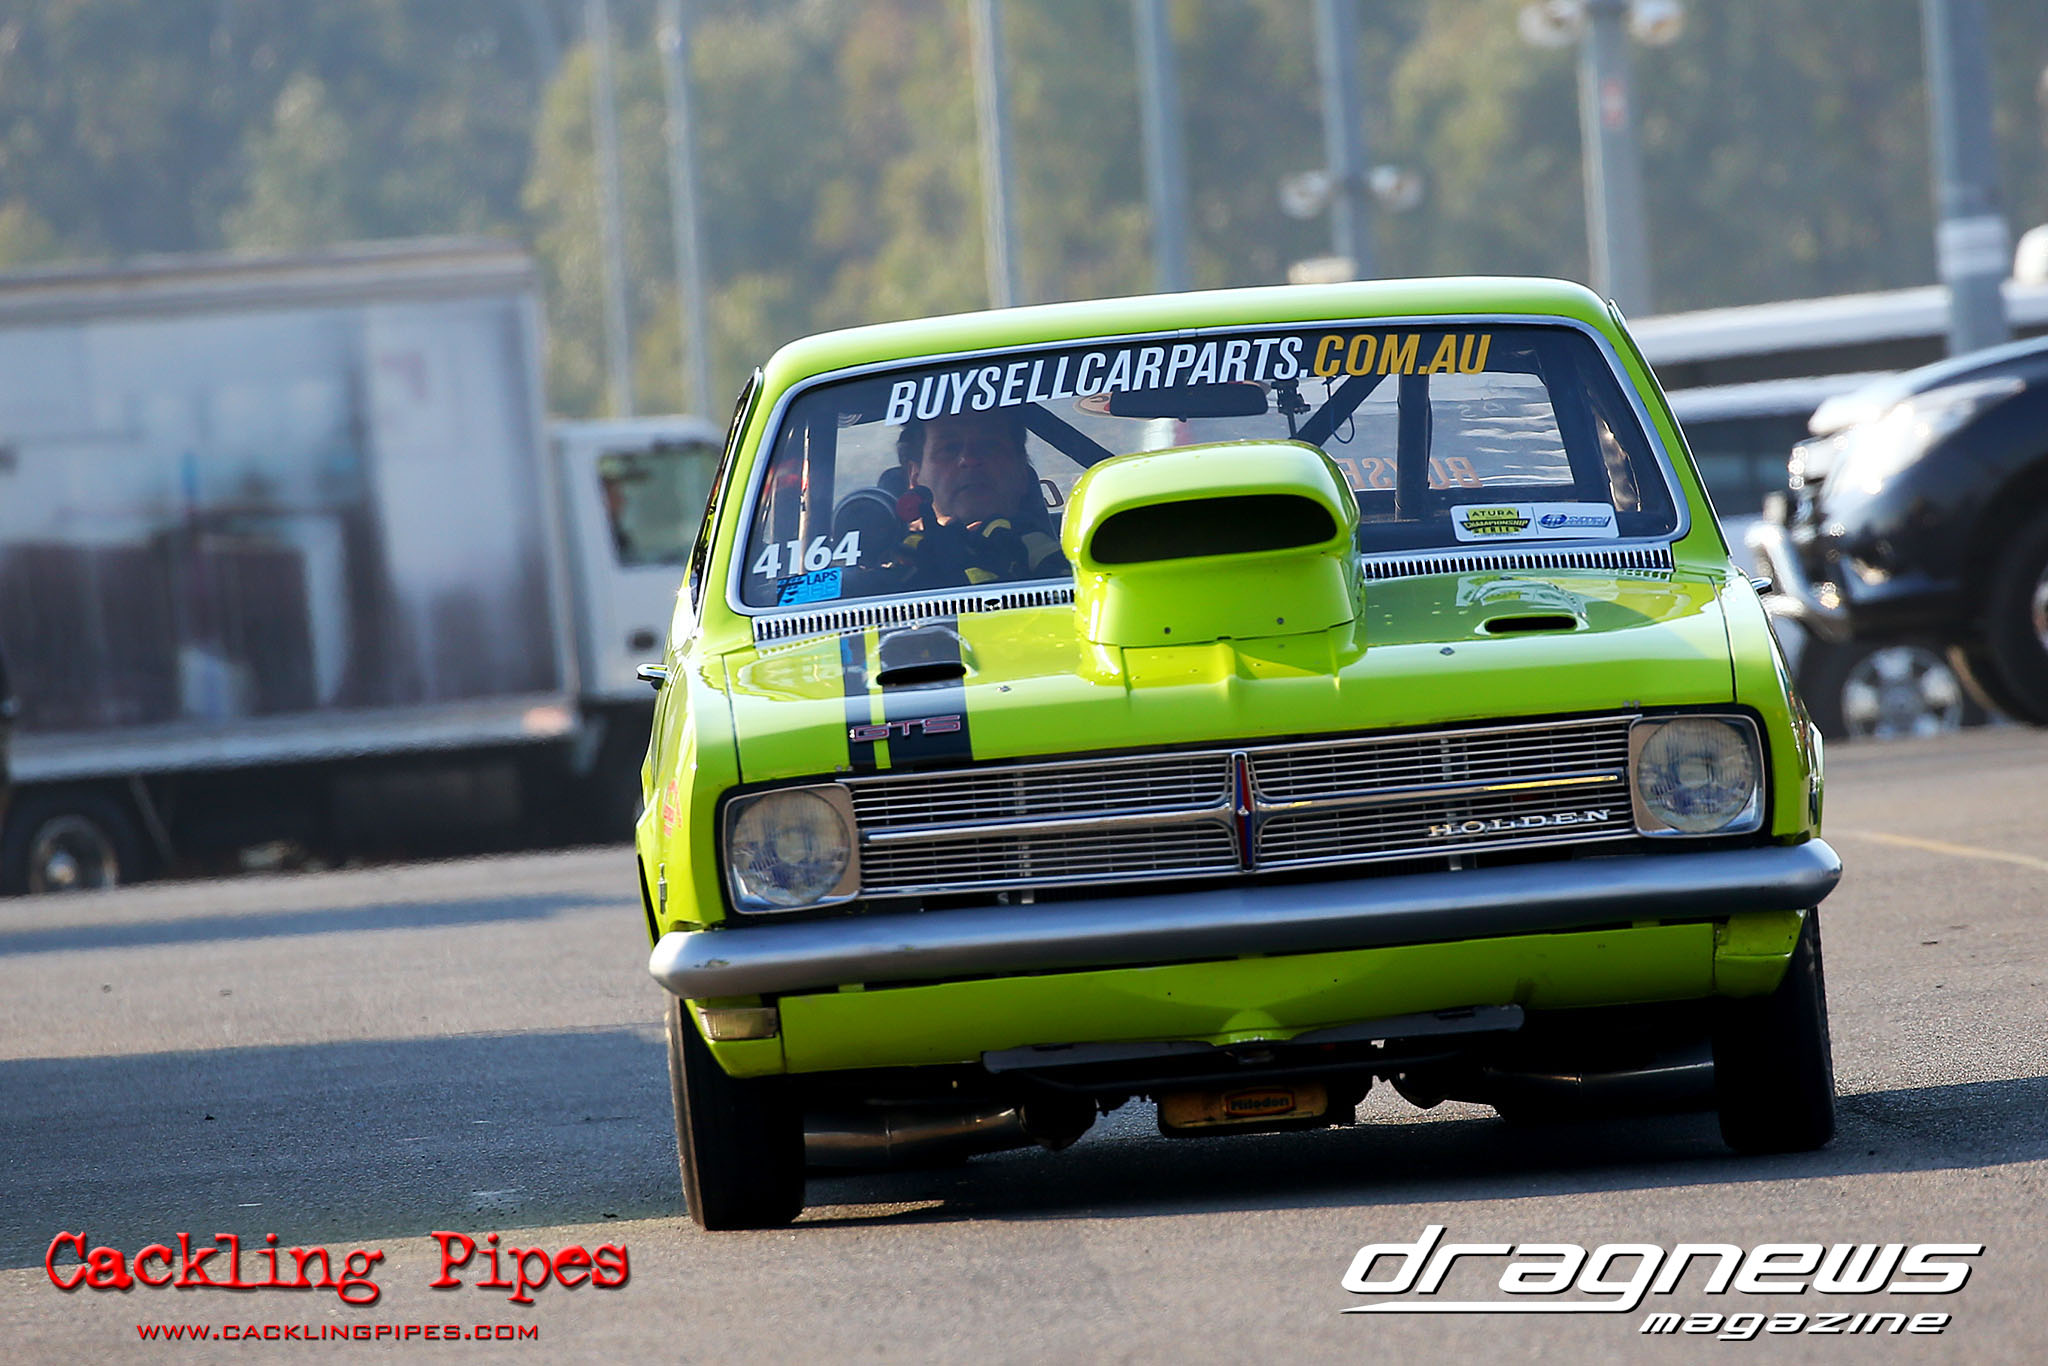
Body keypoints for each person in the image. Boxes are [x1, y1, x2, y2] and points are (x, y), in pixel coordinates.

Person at [883, 409, 1067, 586]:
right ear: (914, 476)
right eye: (949, 448)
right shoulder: (894, 571)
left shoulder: (1071, 564)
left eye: (990, 446)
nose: (970, 460)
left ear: (1022, 473)